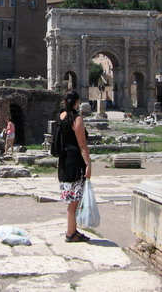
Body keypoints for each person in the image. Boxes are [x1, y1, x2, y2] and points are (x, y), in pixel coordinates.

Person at [57, 89, 92, 243]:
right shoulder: (76, 119)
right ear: (77, 102)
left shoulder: (61, 116)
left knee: (71, 199)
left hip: (64, 161)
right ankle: (70, 234)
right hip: (75, 161)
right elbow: (82, 145)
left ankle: (73, 230)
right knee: (74, 202)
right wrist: (88, 164)